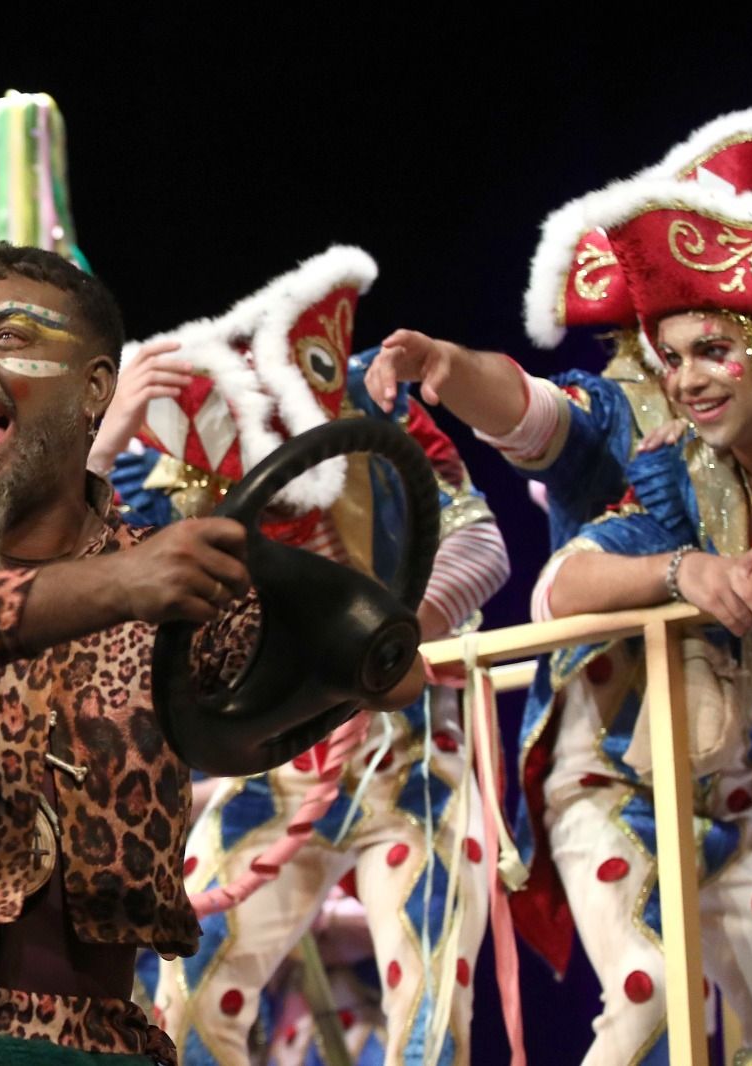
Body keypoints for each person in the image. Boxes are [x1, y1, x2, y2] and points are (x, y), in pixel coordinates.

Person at [0, 241, 425, 1064]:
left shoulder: (175, 582)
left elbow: (378, 672)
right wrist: (122, 583)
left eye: (12, 339)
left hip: (99, 1042)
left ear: (95, 391)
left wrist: (361, 639)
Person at [361, 107, 752, 1065]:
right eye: (680, 348)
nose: (695, 375)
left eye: (730, 338)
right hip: (613, 770)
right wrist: (448, 369)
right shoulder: (644, 425)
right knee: (651, 994)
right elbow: (540, 424)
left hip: (750, 777)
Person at [108, 246, 508, 1065]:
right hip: (272, 766)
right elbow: (87, 583)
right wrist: (109, 437)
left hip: (412, 755)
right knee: (187, 987)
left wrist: (386, 636)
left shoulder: (374, 405)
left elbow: (481, 541)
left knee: (429, 1008)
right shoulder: (168, 468)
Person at [527, 156, 752, 1066]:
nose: (686, 381)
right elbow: (563, 585)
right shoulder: (687, 473)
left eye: (714, 349)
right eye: (671, 358)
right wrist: (682, 571)